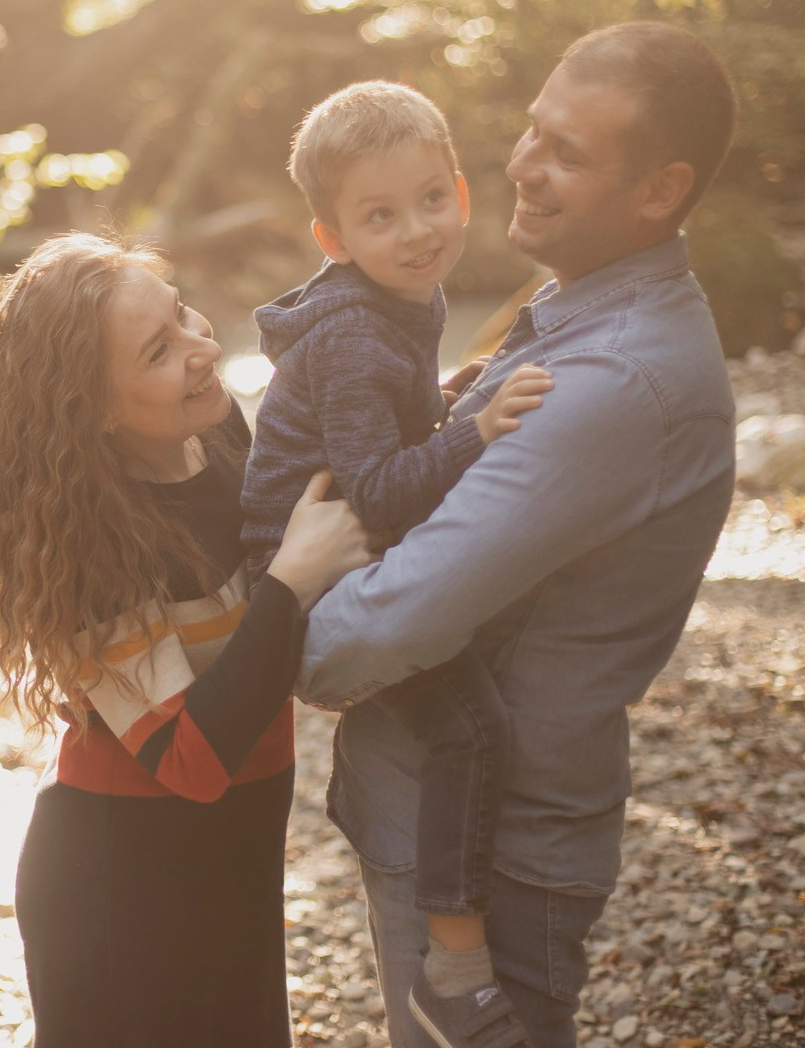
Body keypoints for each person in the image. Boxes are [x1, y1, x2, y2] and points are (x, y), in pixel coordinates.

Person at [295, 21, 740, 1048]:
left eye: (567, 153)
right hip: (445, 818)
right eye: (533, 131)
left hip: (490, 854)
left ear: (659, 190)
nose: (522, 166)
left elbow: (383, 625)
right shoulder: (570, 306)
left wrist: (252, 630)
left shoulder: (611, 381)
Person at [0, 232, 370, 1048]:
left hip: (235, 857)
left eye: (182, 313)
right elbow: (190, 760)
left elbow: (330, 514)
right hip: (122, 890)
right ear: (92, 410)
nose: (201, 346)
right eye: (158, 350)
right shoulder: (83, 546)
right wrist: (290, 580)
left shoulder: (217, 434)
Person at [240, 81, 555, 1048]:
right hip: (306, 567)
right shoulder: (347, 336)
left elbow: (386, 422)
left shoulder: (404, 297)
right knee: (469, 731)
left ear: (460, 192)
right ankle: (451, 972)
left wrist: (449, 398)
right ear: (332, 240)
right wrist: (477, 432)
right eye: (379, 217)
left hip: (350, 537)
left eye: (429, 200)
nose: (416, 231)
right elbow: (375, 488)